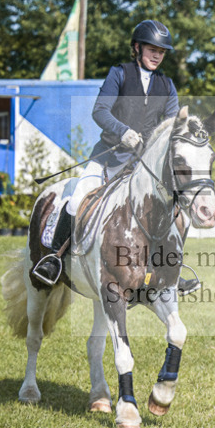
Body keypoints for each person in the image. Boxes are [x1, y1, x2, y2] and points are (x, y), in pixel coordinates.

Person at [32, 19, 180, 287]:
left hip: (141, 169)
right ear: (137, 48)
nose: (157, 55)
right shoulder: (119, 74)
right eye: (152, 49)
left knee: (168, 209)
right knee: (77, 201)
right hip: (107, 159)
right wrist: (123, 131)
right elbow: (100, 111)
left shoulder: (167, 86)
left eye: (161, 51)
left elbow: (170, 127)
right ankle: (53, 258)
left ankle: (168, 273)